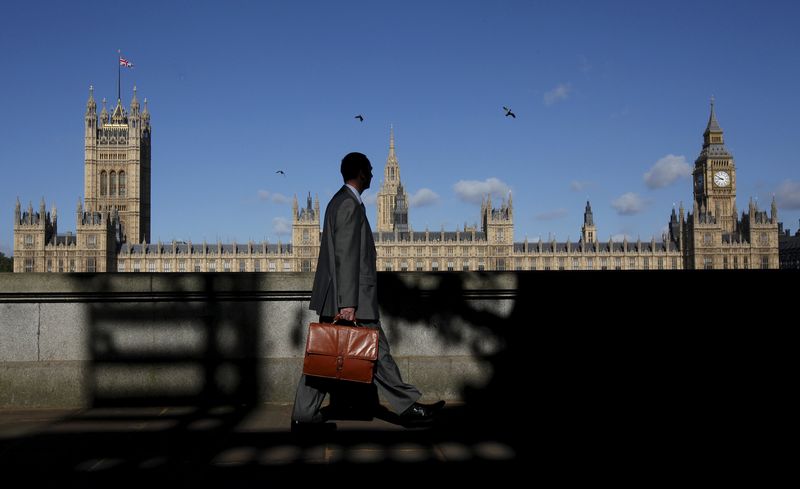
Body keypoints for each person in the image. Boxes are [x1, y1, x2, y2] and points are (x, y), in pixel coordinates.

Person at [291, 152, 444, 432]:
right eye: (370, 170)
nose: (373, 175)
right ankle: (409, 407)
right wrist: (348, 303)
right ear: (360, 173)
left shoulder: (340, 201)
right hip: (352, 299)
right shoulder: (349, 204)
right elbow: (346, 256)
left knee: (323, 357)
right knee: (375, 353)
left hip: (339, 296)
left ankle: (303, 416)